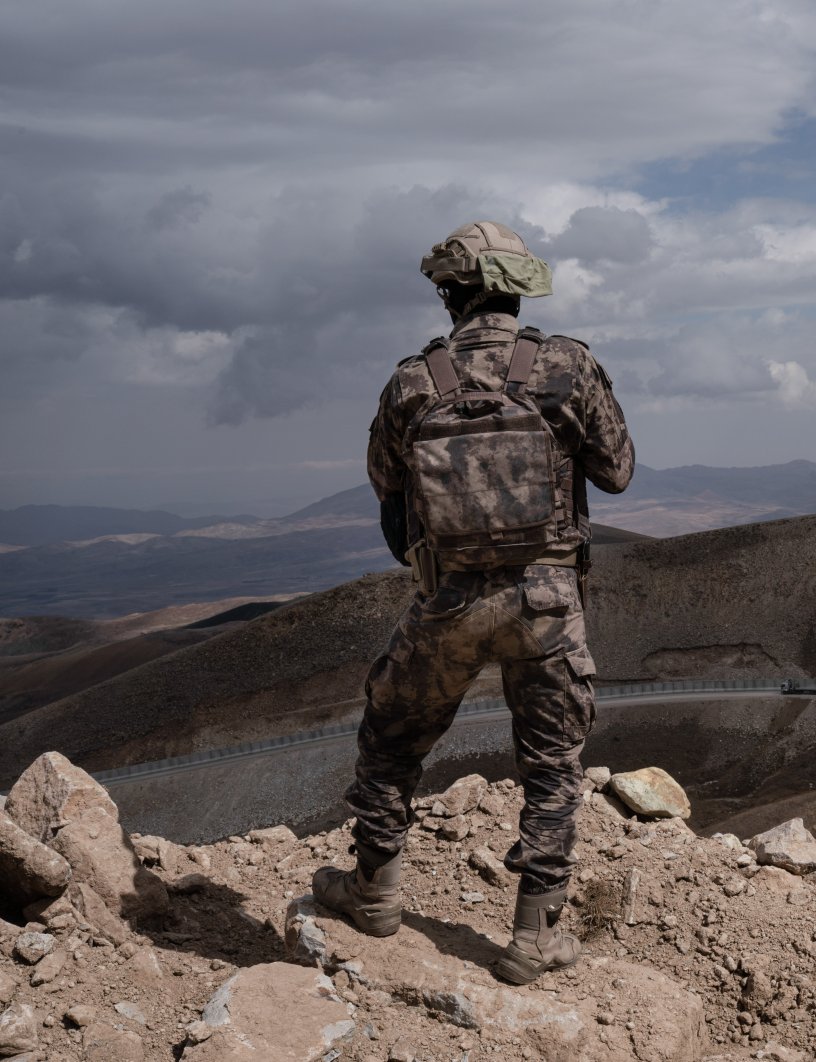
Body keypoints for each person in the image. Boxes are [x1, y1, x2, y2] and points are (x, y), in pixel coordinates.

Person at [312, 220, 634, 985]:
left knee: (391, 743)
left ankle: (375, 892)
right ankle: (532, 937)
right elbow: (616, 471)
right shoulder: (568, 365)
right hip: (549, 601)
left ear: (448, 292)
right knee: (553, 765)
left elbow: (390, 503)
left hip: (446, 603)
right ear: (520, 288)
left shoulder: (411, 382)